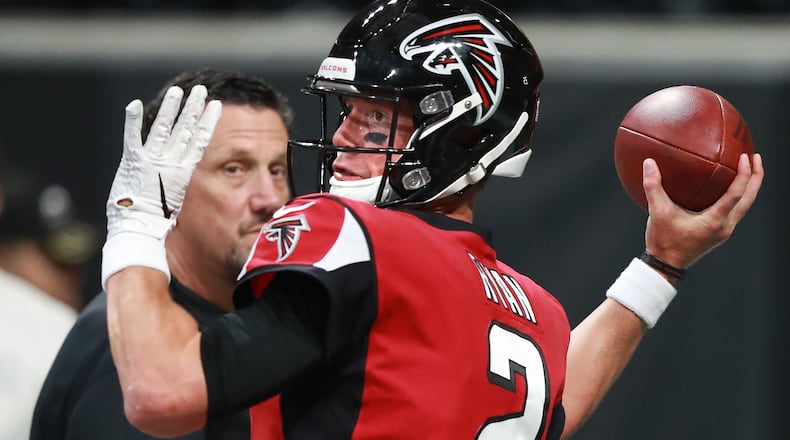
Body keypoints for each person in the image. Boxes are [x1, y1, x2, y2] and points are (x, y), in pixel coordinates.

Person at [101, 1, 764, 438]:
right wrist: (661, 267)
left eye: (378, 117)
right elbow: (554, 414)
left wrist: (134, 226)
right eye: (350, 111)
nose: (342, 138)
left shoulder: (351, 237)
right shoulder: (537, 314)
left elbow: (161, 394)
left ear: (461, 133)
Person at [30, 68, 294, 439]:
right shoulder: (129, 354)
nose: (270, 198)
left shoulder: (258, 316)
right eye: (235, 169)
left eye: (278, 170)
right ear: (168, 191)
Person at [0, 167, 97, 440]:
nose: (72, 277)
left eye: (75, 263)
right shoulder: (55, 328)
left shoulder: (62, 326)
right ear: (6, 254)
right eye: (56, 261)